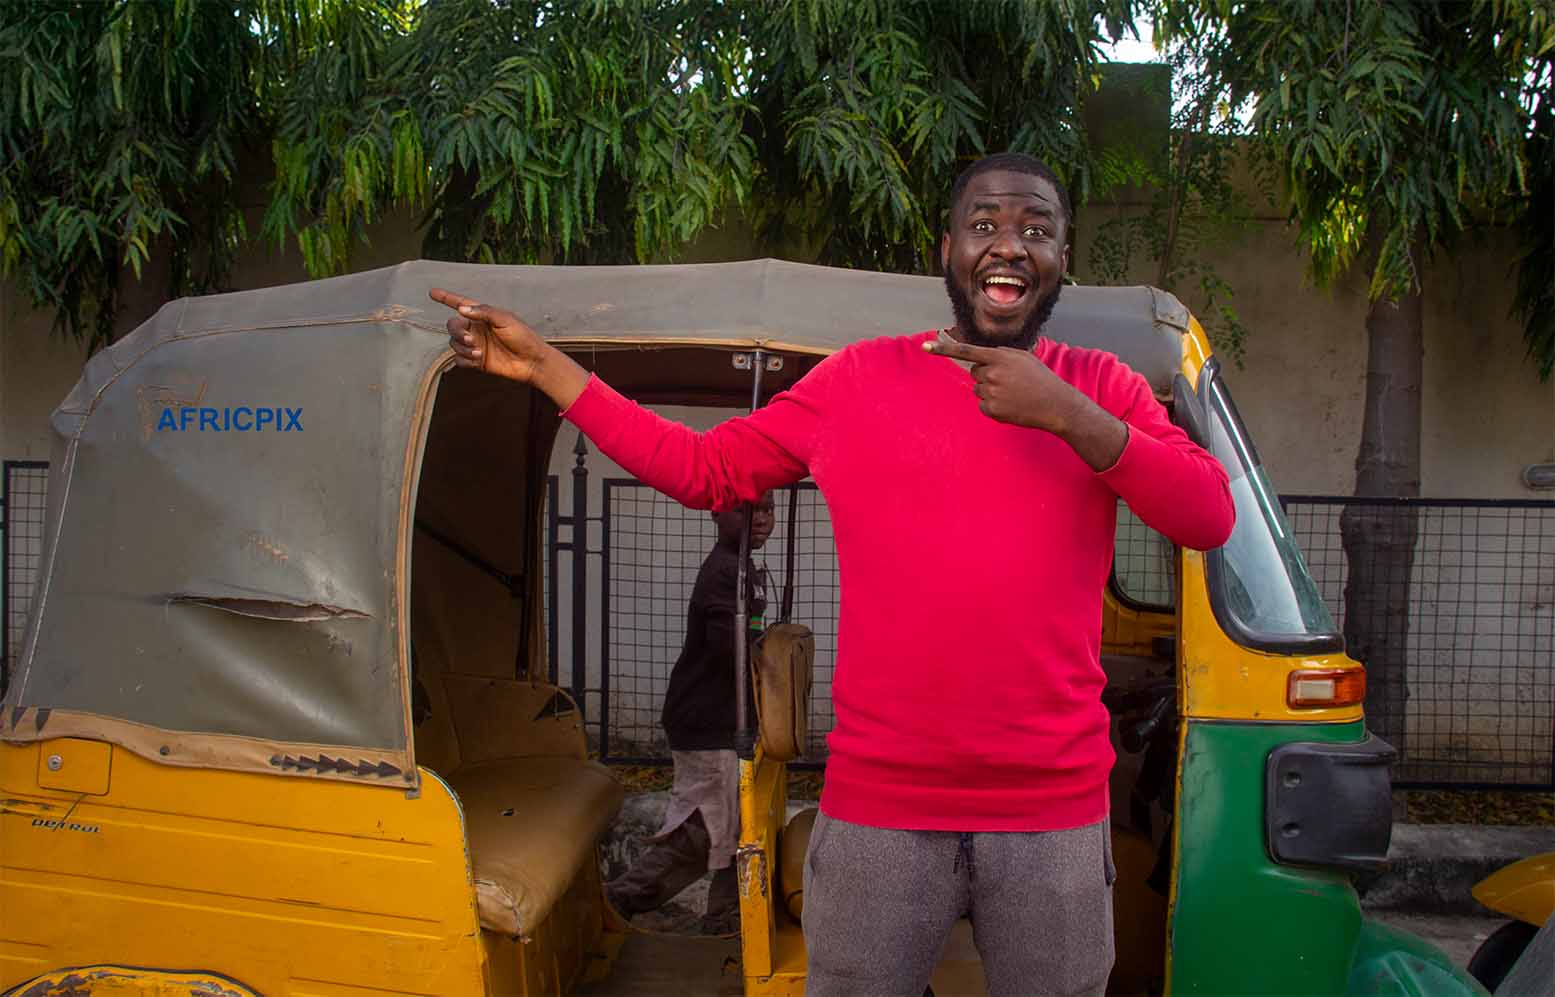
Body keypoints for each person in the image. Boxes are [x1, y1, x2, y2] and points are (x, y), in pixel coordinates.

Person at [431, 151, 1235, 997]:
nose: (1009, 245)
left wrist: (1069, 416)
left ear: (1061, 259)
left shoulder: (1098, 386)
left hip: (1052, 813)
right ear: (947, 249)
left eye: (1036, 229)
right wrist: (546, 368)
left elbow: (1207, 513)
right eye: (985, 225)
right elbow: (703, 469)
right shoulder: (858, 380)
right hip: (880, 807)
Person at [605, 494, 775, 936]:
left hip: (725, 717)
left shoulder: (744, 569)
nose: (760, 520)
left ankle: (723, 917)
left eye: (768, 509)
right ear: (716, 513)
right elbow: (728, 651)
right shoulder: (723, 573)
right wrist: (769, 666)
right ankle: (622, 897)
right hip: (708, 720)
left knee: (732, 823)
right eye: (746, 510)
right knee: (706, 828)